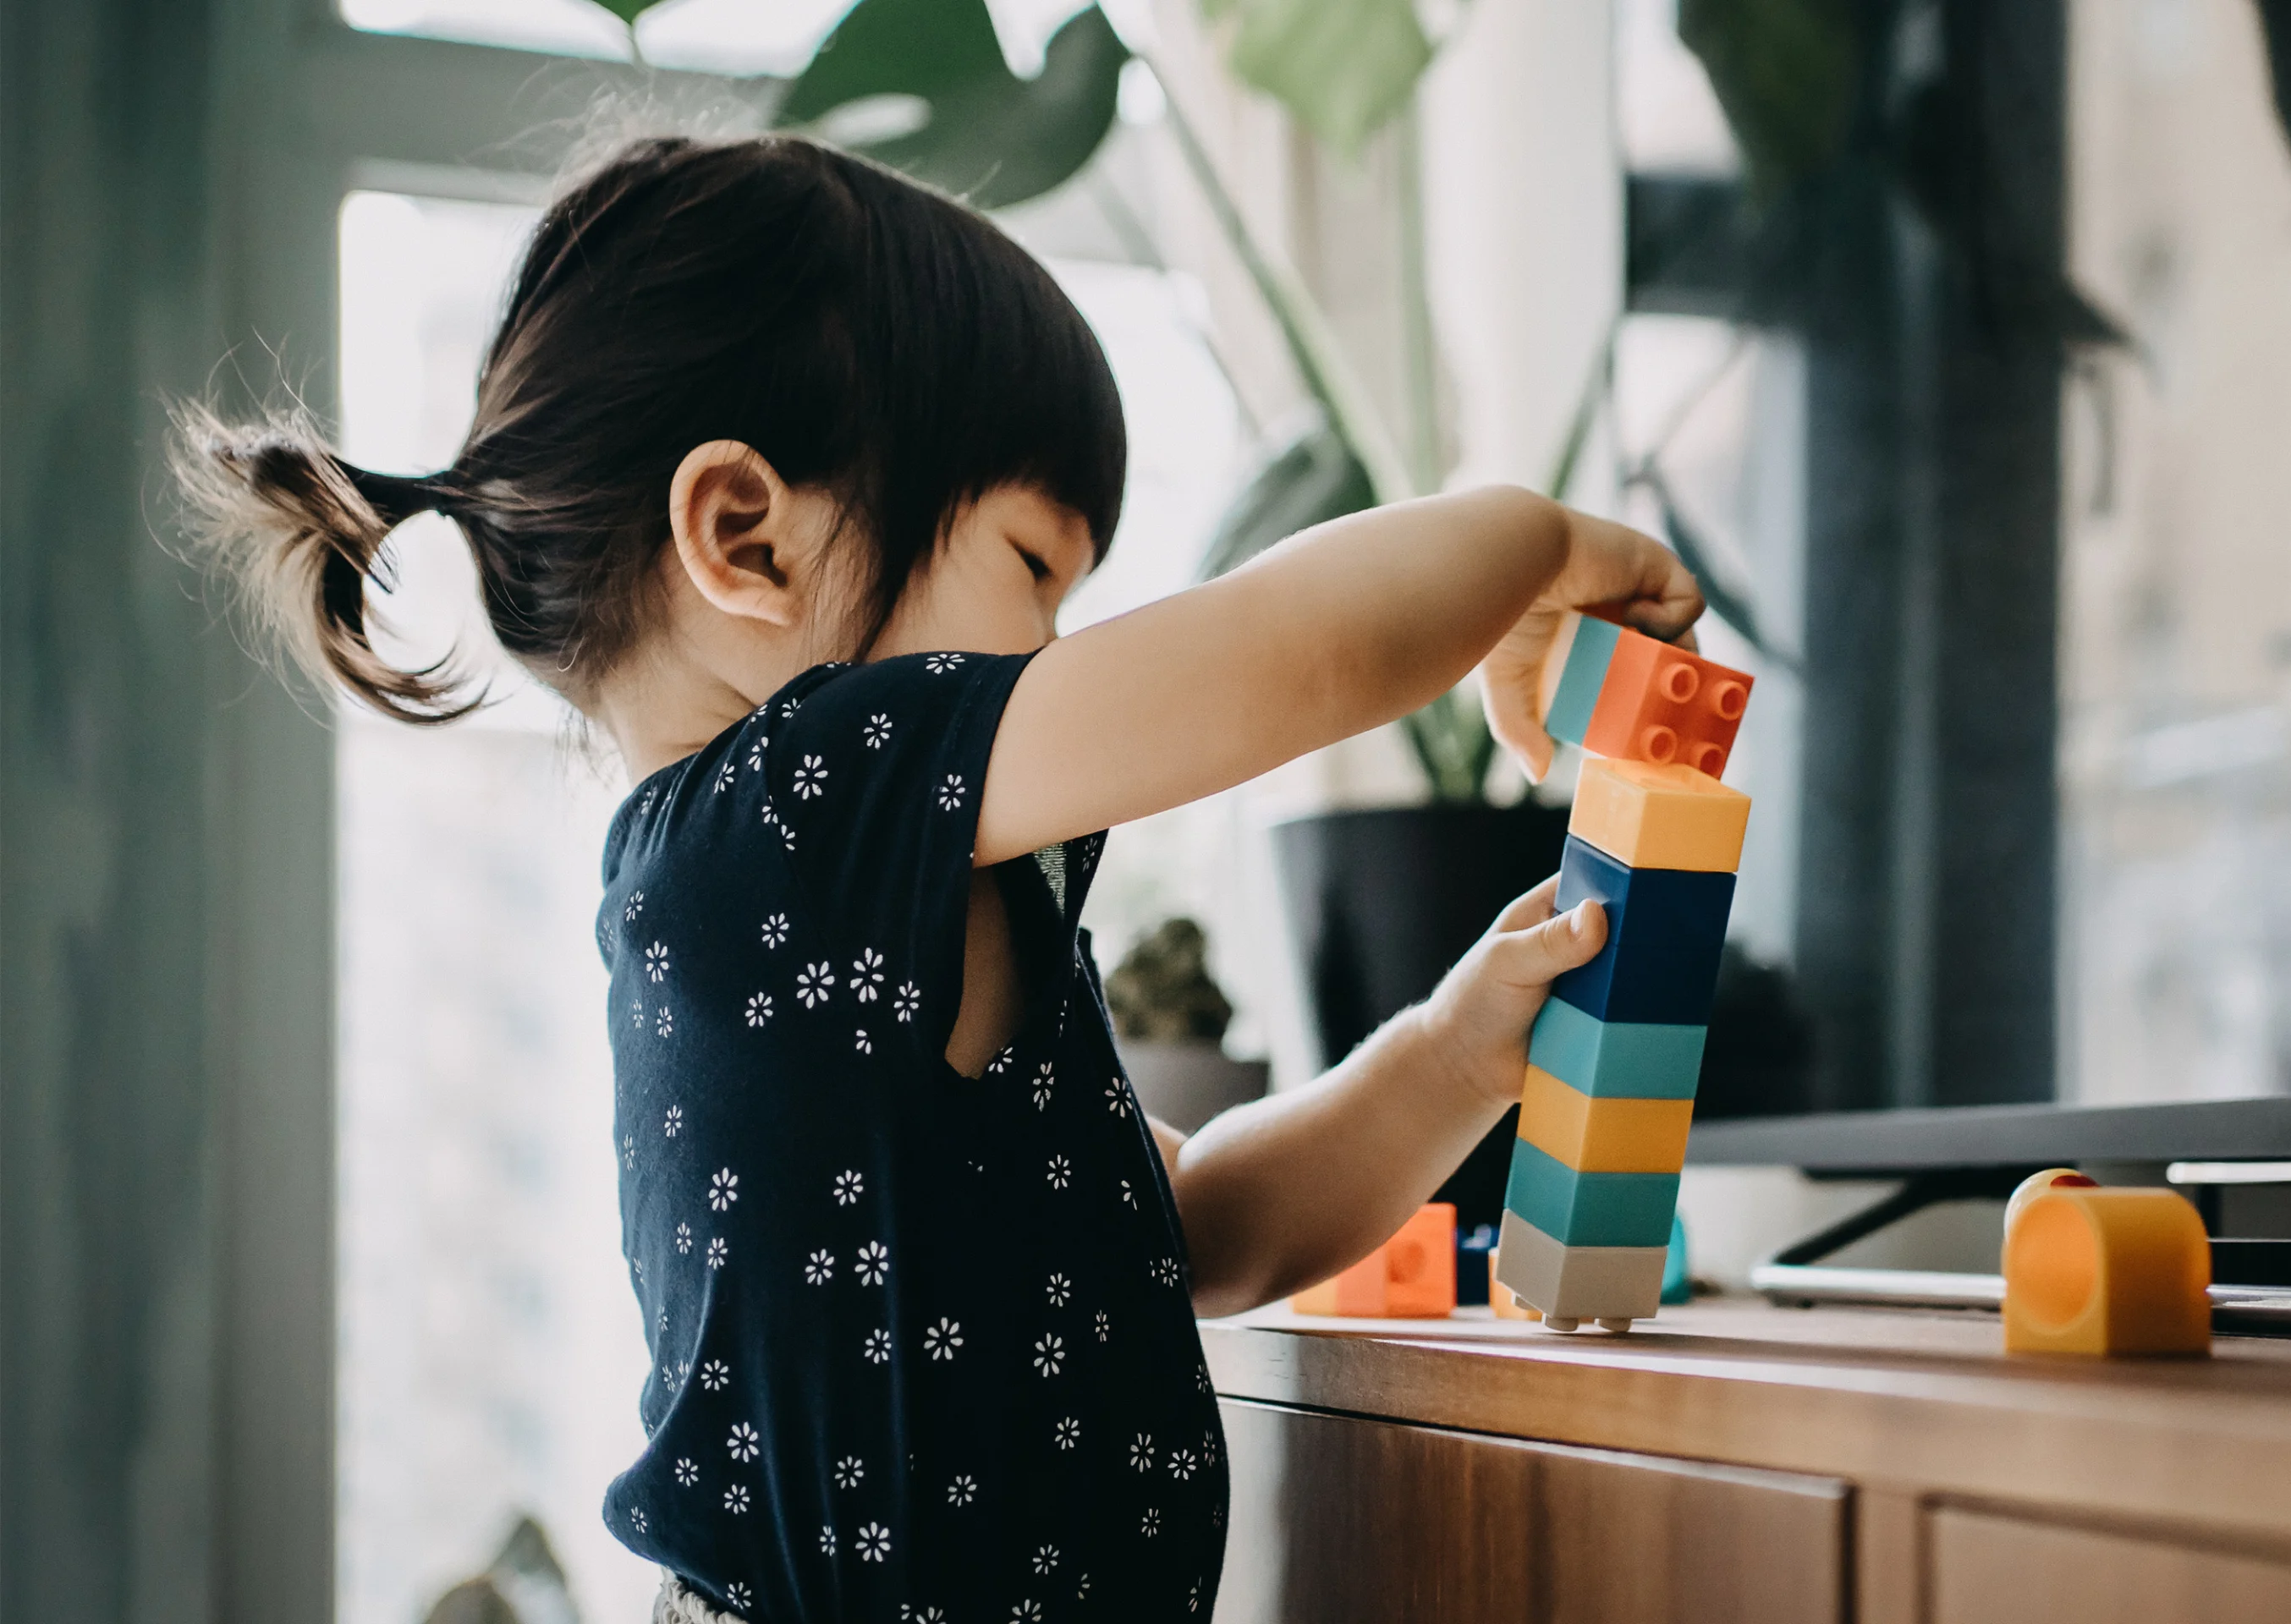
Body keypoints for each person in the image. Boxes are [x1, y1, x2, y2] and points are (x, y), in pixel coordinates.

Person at [173, 134, 1697, 1624]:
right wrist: (1532, 542)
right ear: (744, 537)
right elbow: (1296, 657)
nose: (1051, 650)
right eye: (1035, 570)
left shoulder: (844, 901)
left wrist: (1447, 1054)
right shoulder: (785, 811)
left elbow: (1214, 1230)